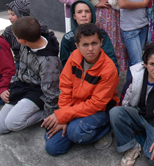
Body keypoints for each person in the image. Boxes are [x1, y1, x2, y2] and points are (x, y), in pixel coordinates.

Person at [43, 23, 120, 156]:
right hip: (77, 107)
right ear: (77, 46)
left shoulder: (109, 69)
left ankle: (105, 128)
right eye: (85, 45)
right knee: (52, 146)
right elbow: (65, 87)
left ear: (101, 42)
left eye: (94, 43)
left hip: (101, 110)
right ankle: (76, 127)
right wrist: (64, 117)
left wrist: (65, 116)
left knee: (75, 132)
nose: (90, 49)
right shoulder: (74, 57)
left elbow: (96, 104)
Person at [0, 16, 62, 134]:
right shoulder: (25, 45)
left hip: (38, 92)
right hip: (23, 86)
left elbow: (52, 94)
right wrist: (12, 84)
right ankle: (20, 108)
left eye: (15, 36)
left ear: (21, 40)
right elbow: (21, 67)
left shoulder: (49, 62)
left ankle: (41, 114)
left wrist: (50, 116)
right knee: (0, 128)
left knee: (12, 123)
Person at [59, 0, 118, 73]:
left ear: (92, 14)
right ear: (74, 16)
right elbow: (64, 66)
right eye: (79, 12)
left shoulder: (102, 34)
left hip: (101, 76)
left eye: (87, 11)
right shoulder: (67, 39)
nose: (84, 15)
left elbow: (111, 59)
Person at [1, 0, 52, 69]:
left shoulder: (39, 27)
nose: (9, 17)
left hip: (39, 59)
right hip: (20, 62)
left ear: (21, 14)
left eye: (12, 14)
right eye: (8, 14)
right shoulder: (9, 31)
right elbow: (0, 45)